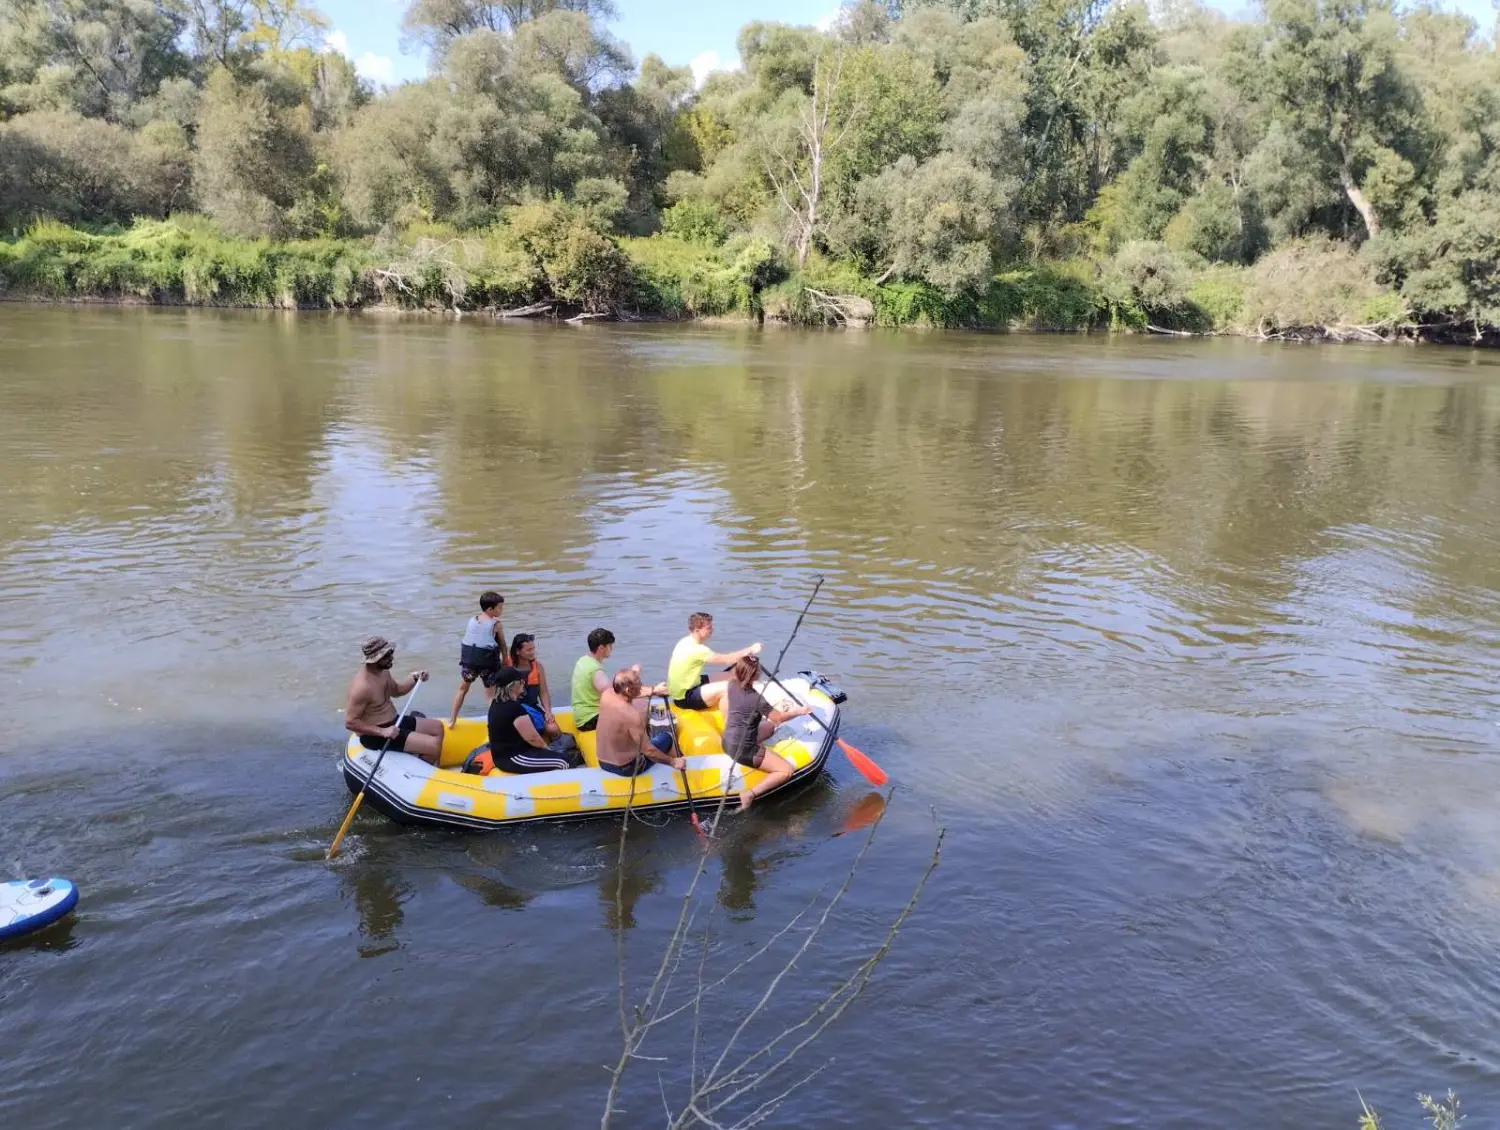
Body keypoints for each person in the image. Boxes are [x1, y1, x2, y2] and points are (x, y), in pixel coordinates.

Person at [721, 655, 810, 810]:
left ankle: (756, 746)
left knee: (768, 727)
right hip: (744, 750)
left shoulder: (732, 684)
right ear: (755, 675)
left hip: (727, 741)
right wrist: (799, 711)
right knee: (785, 771)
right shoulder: (757, 699)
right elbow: (779, 718)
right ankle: (749, 794)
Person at [344, 636, 442, 765]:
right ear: (375, 659)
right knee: (433, 745)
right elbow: (350, 722)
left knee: (437, 727)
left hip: (394, 722)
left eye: (391, 653)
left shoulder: (383, 672)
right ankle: (421, 772)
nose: (391, 657)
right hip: (375, 735)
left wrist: (415, 678)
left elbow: (397, 690)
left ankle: (428, 763)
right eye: (386, 655)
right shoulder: (362, 687)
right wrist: (383, 731)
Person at [473, 667, 584, 774]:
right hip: (514, 757)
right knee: (563, 762)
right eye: (521, 681)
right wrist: (548, 751)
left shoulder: (495, 704)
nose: (523, 683)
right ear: (513, 686)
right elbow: (533, 738)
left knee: (558, 757)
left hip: (504, 755)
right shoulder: (514, 708)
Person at [570, 629, 667, 733]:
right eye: (610, 646)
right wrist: (653, 690)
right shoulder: (595, 671)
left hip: (583, 716)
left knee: (638, 702)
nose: (611, 649)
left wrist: (632, 675)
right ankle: (643, 744)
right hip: (590, 719)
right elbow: (617, 694)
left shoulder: (583, 660)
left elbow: (615, 688)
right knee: (638, 710)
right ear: (601, 648)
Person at [595, 669, 685, 777]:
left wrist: (653, 690)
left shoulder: (606, 695)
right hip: (626, 767)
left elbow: (629, 692)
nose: (642, 685)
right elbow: (648, 751)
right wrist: (672, 762)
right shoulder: (632, 716)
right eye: (639, 684)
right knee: (667, 737)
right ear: (628, 690)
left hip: (603, 762)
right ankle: (678, 768)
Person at [667, 612, 761, 712]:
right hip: (685, 698)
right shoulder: (697, 649)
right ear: (697, 630)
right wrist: (749, 650)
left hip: (690, 686)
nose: (712, 630)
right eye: (708, 628)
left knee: (732, 674)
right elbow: (727, 659)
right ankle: (730, 725)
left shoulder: (684, 641)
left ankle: (749, 696)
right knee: (728, 688)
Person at [448, 591, 506, 727]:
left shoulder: (472, 620)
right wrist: (506, 659)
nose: (502, 610)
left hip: (470, 661)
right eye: (500, 608)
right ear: (491, 609)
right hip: (487, 663)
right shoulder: (496, 624)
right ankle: (494, 723)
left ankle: (452, 720)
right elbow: (502, 644)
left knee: (462, 689)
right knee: (491, 694)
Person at [508, 632, 564, 741]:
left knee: (553, 729)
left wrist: (548, 712)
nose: (533, 652)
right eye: (529, 650)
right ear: (518, 651)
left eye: (533, 648)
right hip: (514, 709)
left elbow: (543, 692)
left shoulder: (538, 667)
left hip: (533, 707)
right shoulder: (508, 668)